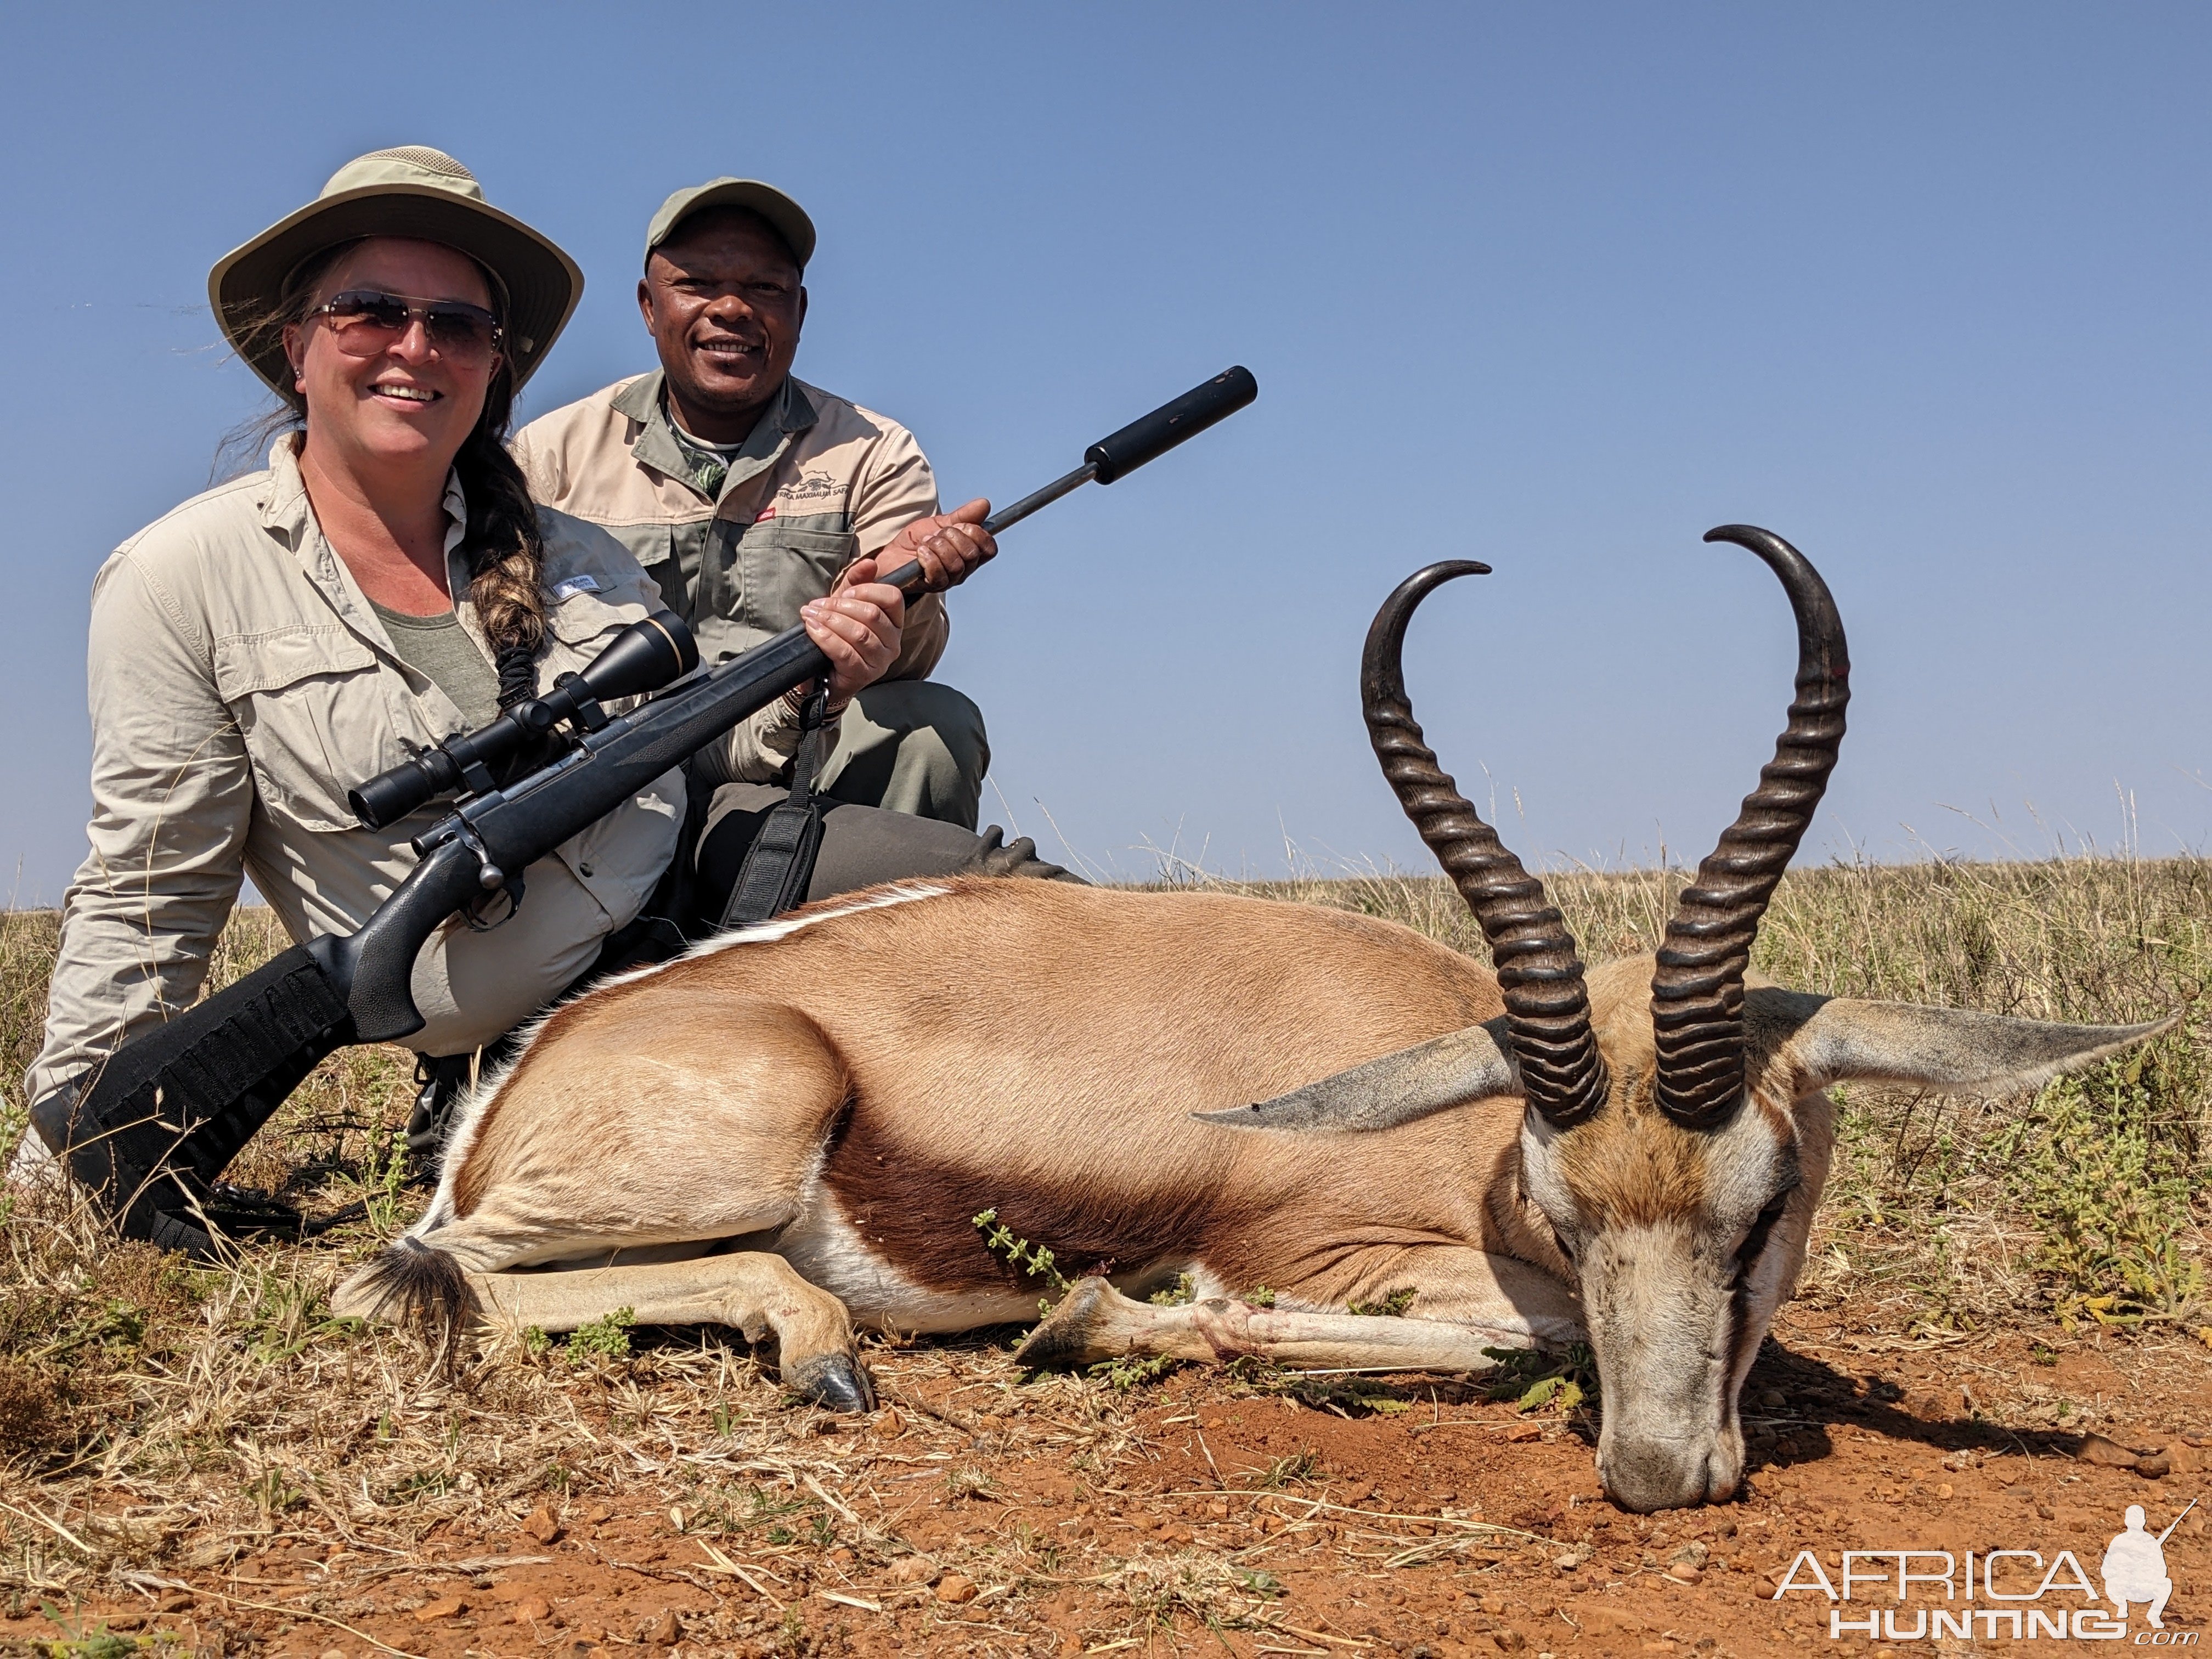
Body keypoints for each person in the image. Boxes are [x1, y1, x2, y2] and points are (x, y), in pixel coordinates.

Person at [18, 148, 953, 1190]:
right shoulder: (178, 576)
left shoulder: (577, 552)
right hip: (525, 993)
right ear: (295, 345)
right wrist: (69, 1153)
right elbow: (152, 889)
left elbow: (688, 736)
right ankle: (487, 1077)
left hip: (686, 907)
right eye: (370, 310)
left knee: (992, 900)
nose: (415, 348)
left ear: (492, 362)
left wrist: (813, 669)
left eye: (458, 325)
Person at [509, 178, 1063, 929]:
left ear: (798, 312)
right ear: (649, 305)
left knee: (932, 724)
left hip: (801, 742)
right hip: (626, 763)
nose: (732, 308)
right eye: (698, 284)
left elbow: (908, 662)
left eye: (764, 288)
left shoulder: (874, 451)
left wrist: (908, 594)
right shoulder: (552, 453)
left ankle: (879, 981)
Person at [2102, 1505, 2174, 1628]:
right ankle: (2122, 1606)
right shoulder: (2119, 1541)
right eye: (2132, 1519)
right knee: (2111, 1582)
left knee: (2166, 1584)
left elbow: (2162, 1570)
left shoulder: (2151, 1542)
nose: (2135, 1523)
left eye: (2138, 1519)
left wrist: (2147, 1571)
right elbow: (2106, 1569)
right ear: (2126, 1522)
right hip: (2123, 1587)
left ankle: (2154, 1615)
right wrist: (2122, 1570)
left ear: (2143, 1522)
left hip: (2143, 1587)